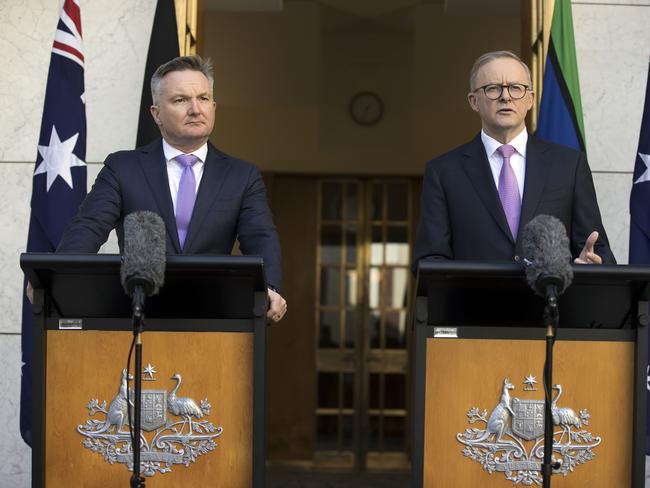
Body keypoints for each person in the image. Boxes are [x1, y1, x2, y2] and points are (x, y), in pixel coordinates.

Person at [56, 55, 287, 322]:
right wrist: (58, 277)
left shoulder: (241, 176)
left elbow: (260, 237)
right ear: (156, 114)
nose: (195, 109)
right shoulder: (123, 168)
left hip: (213, 319)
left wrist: (270, 287)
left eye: (202, 99)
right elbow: (89, 226)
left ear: (213, 107)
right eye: (180, 100)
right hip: (138, 316)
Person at [412, 50, 615, 269]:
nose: (506, 96)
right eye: (492, 88)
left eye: (516, 88)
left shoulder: (569, 165)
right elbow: (430, 261)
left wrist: (590, 265)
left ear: (531, 99)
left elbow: (597, 248)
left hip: (550, 301)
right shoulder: (444, 172)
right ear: (473, 101)